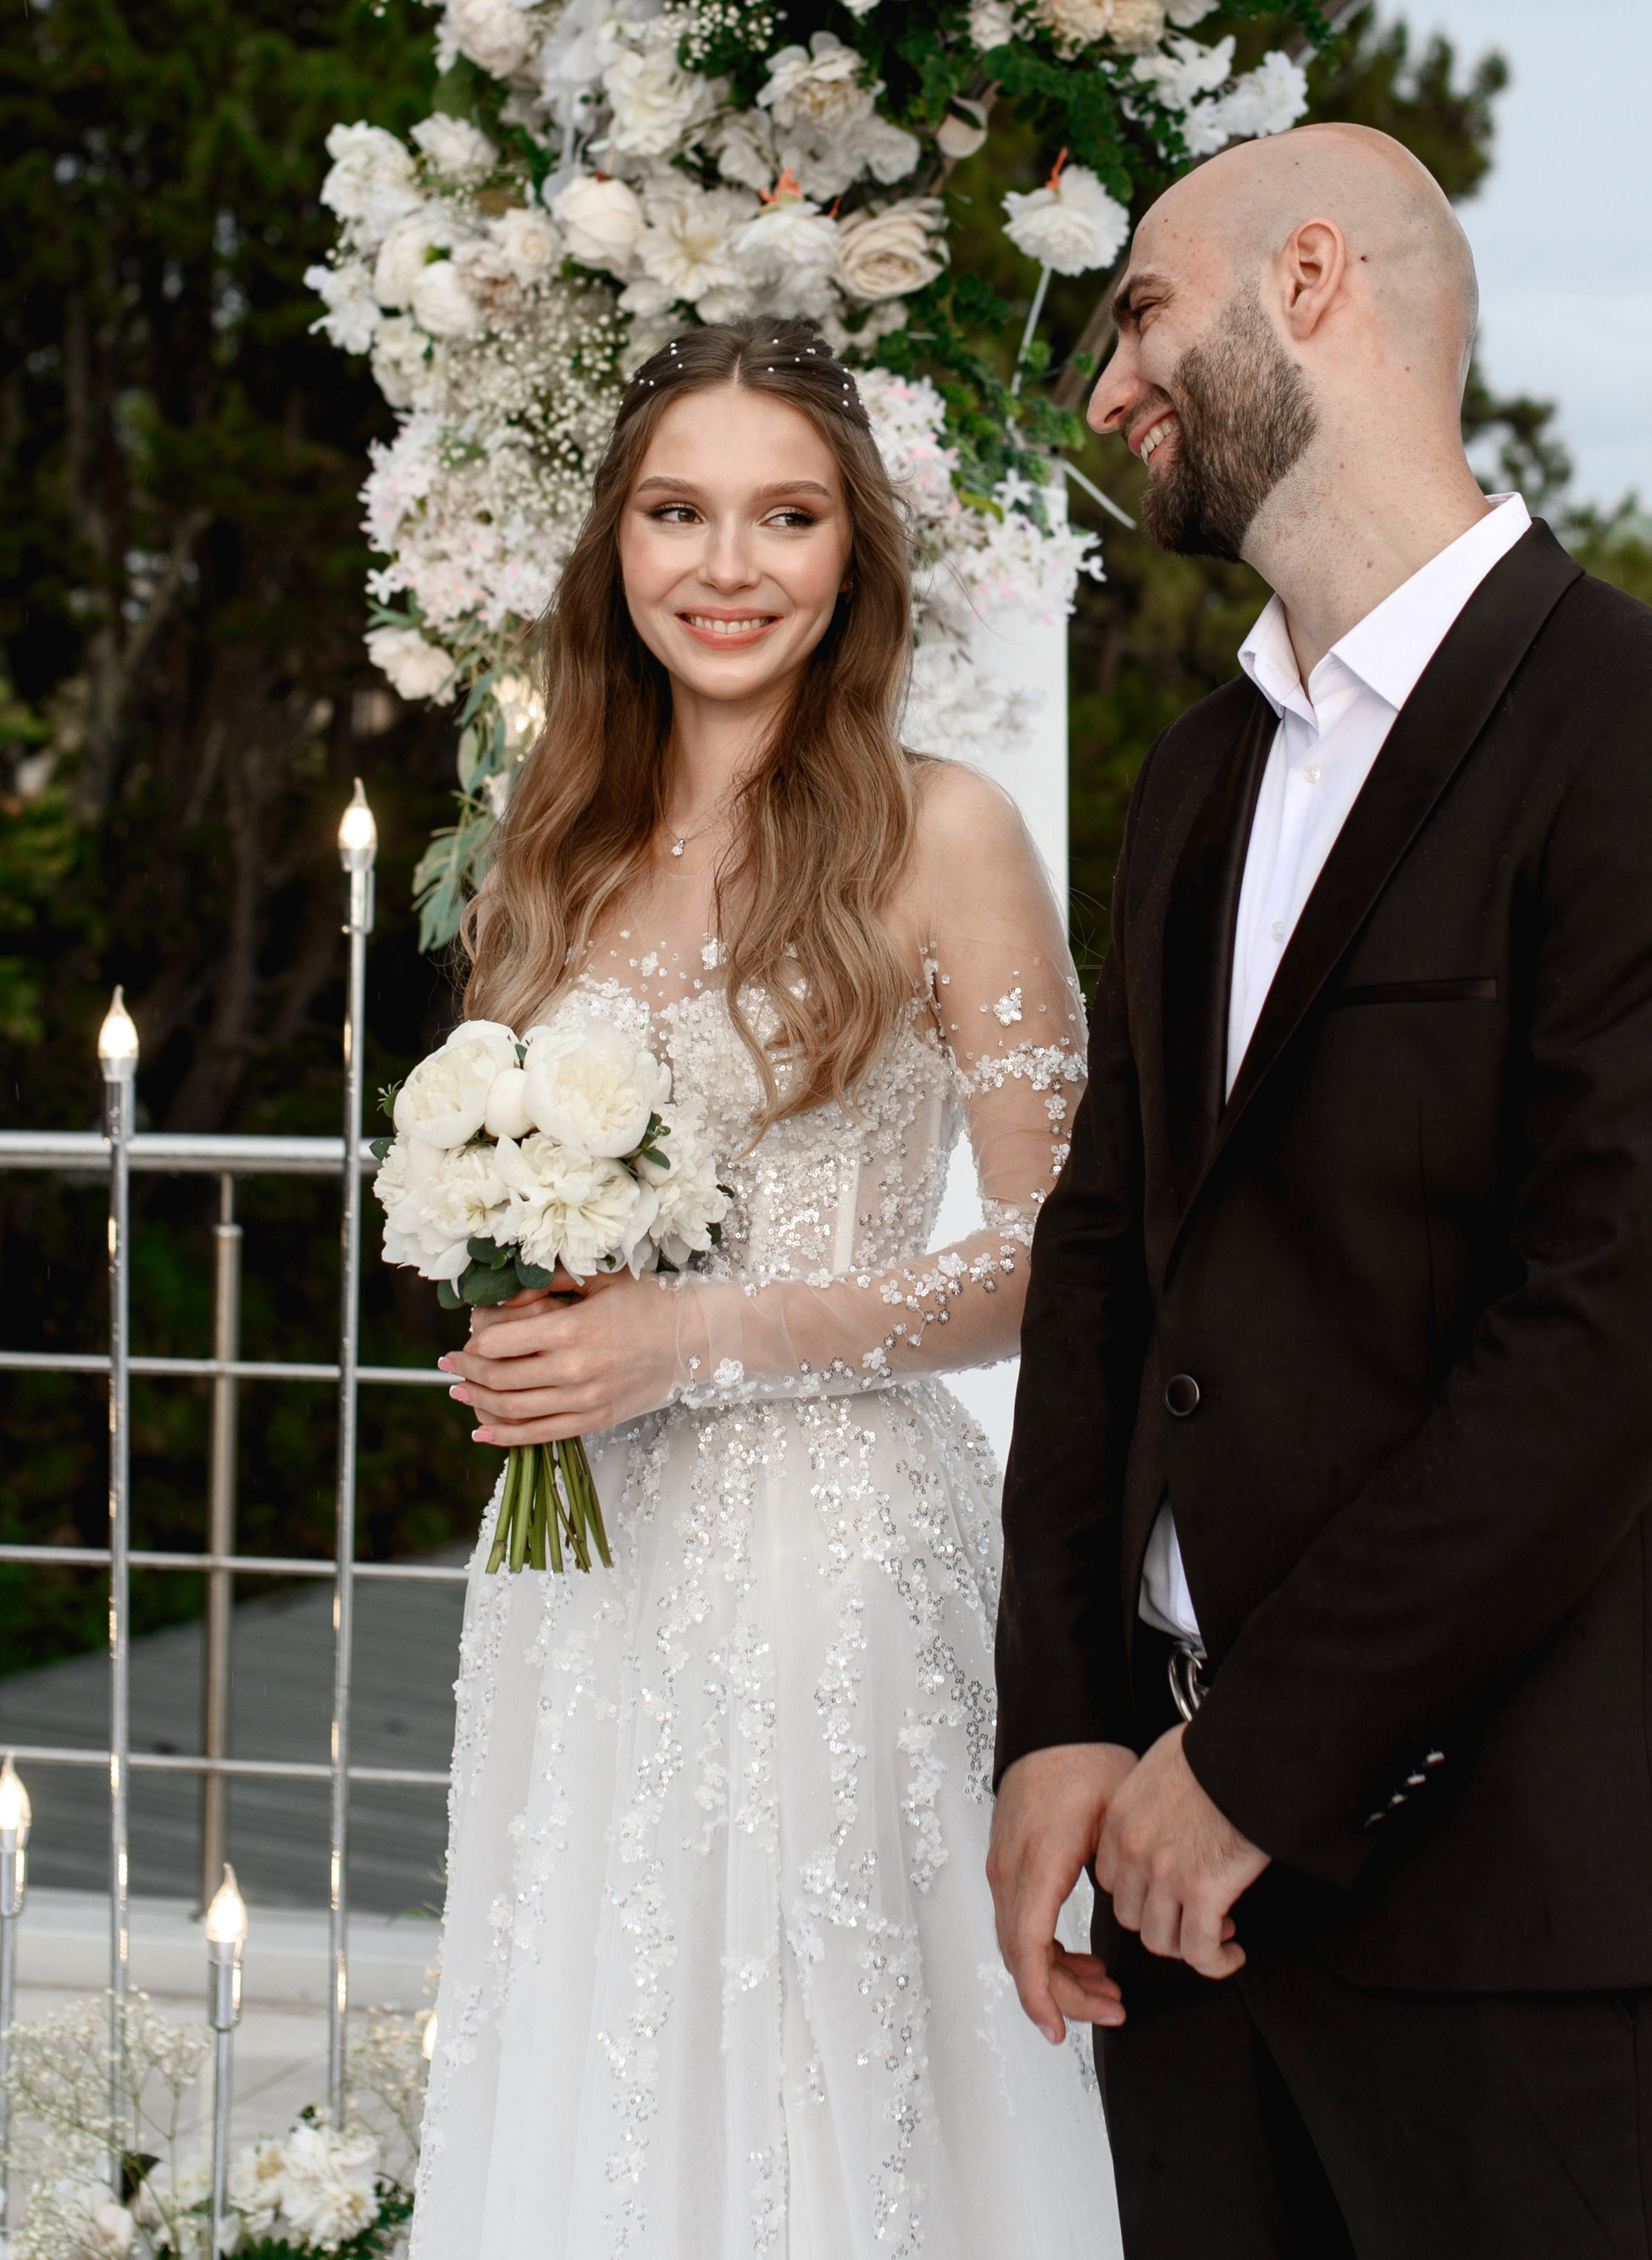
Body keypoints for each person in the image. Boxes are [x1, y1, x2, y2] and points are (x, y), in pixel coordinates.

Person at [987, 126, 1652, 2260]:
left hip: (1523, 1894)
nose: (1108, 387)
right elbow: (1104, 1259)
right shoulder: (1198, 774)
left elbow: (1606, 1339)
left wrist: (1254, 1765)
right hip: (1174, 1894)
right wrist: (1063, 1716)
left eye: (1140, 314)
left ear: (1312, 281)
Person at [416, 316, 1122, 2260]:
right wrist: (531, 1323)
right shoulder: (546, 840)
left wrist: (698, 1338)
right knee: (598, 2059)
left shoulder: (944, 828)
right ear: (615, 545)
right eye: (678, 512)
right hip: (578, 1578)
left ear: (851, 554)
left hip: (832, 1571)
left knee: (830, 2089)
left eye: (785, 517)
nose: (726, 566)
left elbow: (1059, 1252)